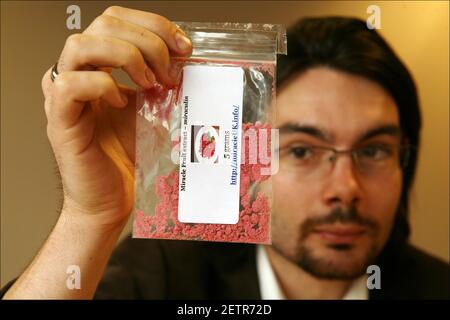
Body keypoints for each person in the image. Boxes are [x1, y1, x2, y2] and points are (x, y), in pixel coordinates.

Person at [2, 6, 449, 300]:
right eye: (301, 150)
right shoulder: (164, 276)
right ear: (248, 157)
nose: (345, 189)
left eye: (373, 150)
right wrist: (89, 216)